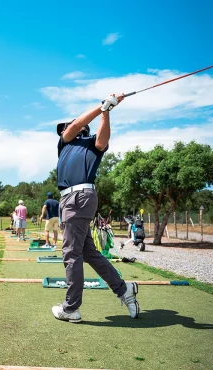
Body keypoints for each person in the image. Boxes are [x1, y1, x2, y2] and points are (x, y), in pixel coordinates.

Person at [51, 93, 139, 323]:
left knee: (71, 254)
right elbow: (78, 124)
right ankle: (123, 290)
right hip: (73, 200)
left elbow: (102, 139)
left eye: (67, 125)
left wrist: (106, 112)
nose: (65, 129)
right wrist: (102, 107)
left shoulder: (92, 145)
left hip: (79, 197)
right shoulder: (66, 143)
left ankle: (71, 308)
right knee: (88, 252)